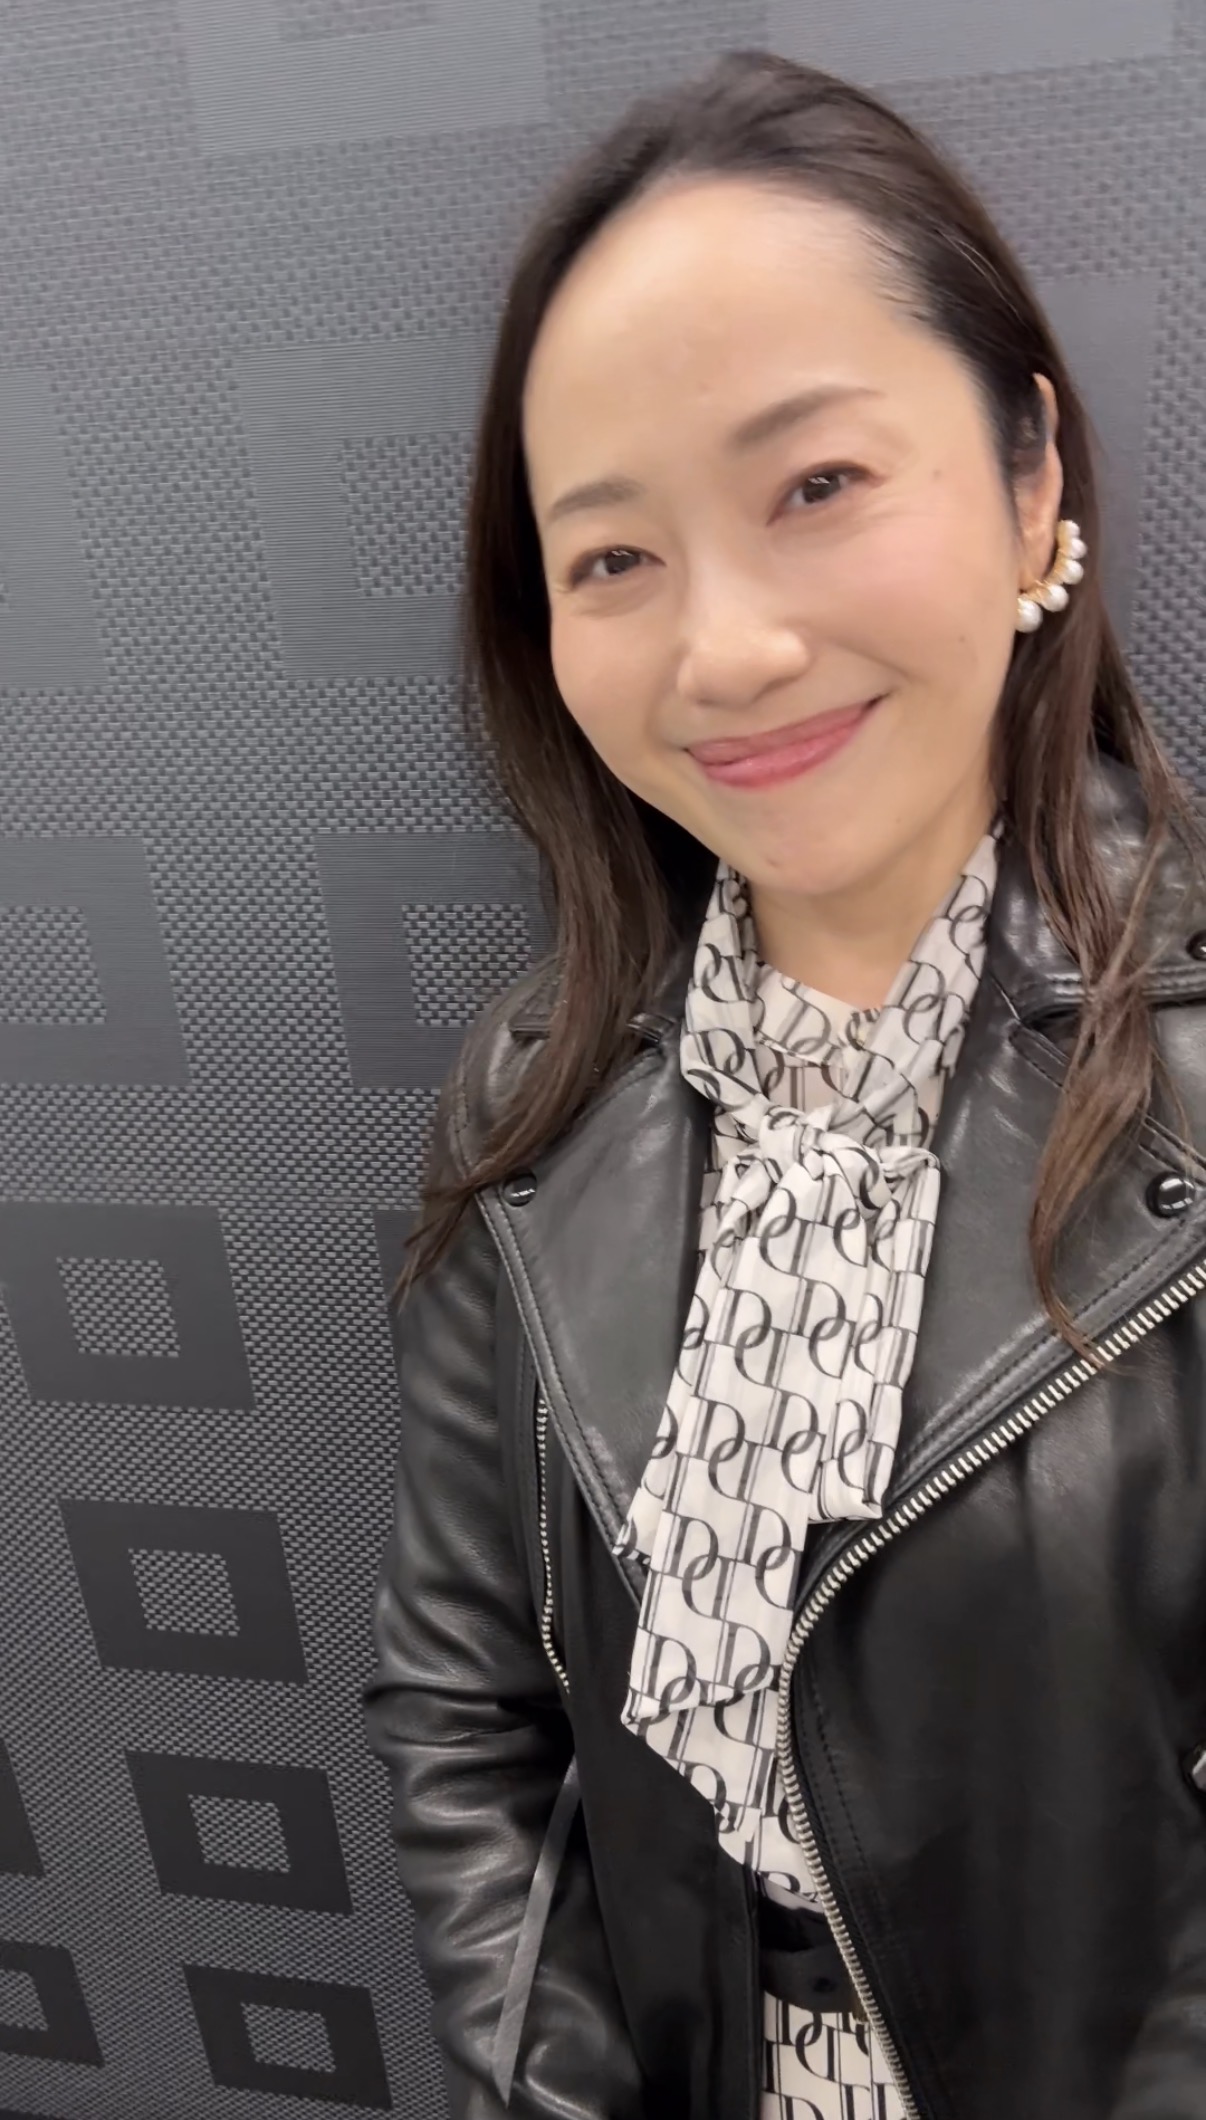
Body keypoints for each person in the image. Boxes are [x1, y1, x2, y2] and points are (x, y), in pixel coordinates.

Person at [361, 48, 1206, 2120]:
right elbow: (466, 1709)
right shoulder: (533, 1096)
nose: (722, 650)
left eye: (817, 486)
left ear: (1031, 481)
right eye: (612, 558)